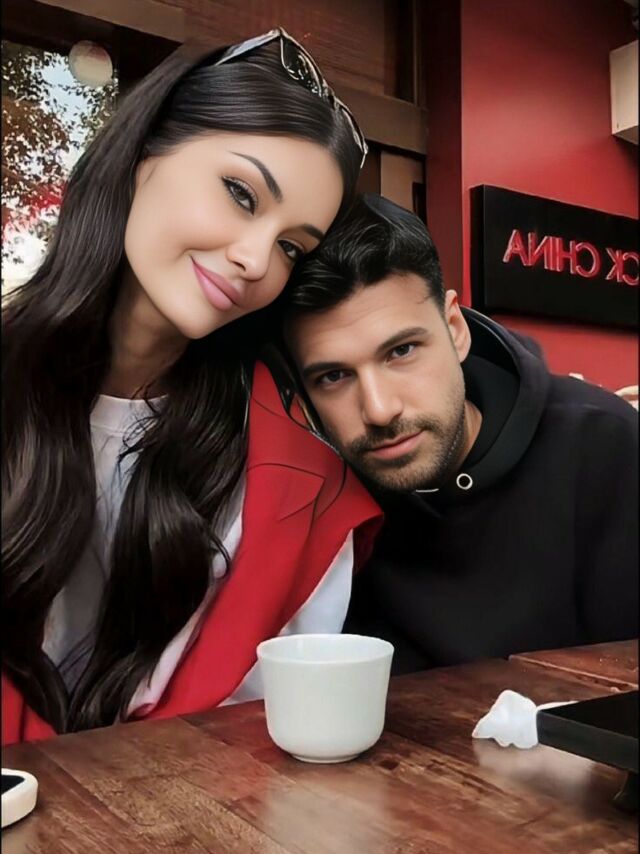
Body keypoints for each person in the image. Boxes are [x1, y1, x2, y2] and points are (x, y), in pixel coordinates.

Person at [1, 30, 383, 745]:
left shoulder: (291, 483)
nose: (255, 260)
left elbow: (261, 732)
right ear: (143, 155)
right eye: (241, 194)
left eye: (292, 247)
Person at [282, 193, 638, 675]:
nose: (380, 410)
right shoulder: (318, 489)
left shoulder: (604, 446)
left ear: (455, 329)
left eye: (402, 351)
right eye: (333, 376)